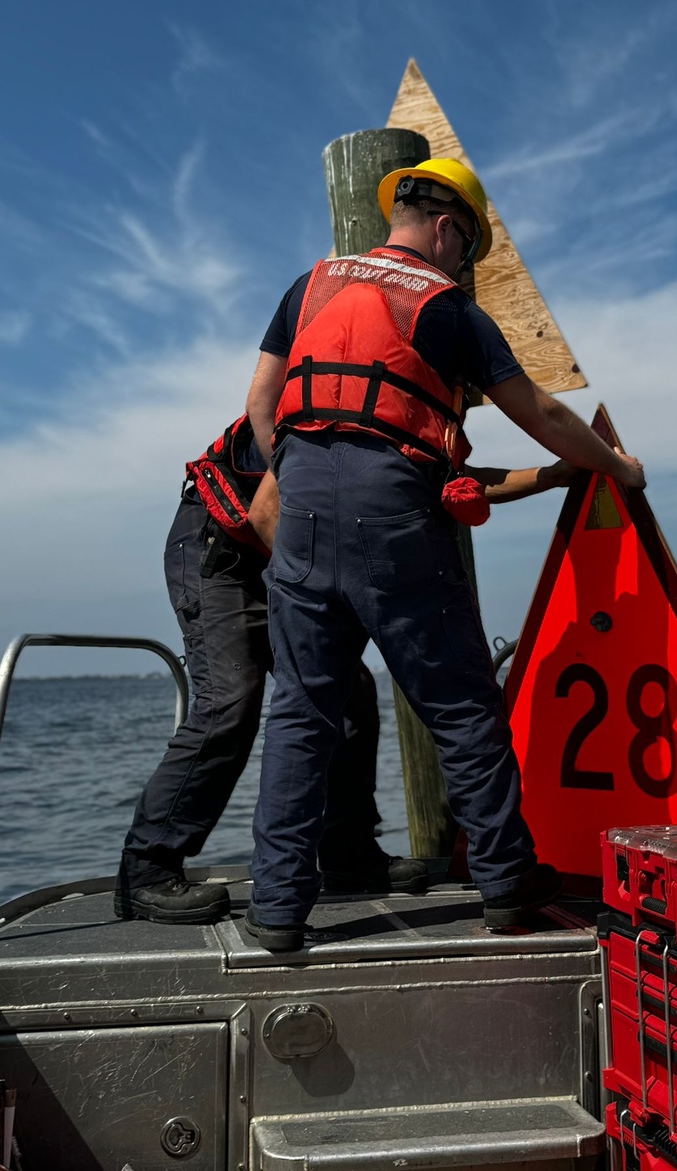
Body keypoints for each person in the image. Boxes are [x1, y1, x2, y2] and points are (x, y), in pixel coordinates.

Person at [244, 157, 646, 952]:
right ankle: (504, 882)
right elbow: (538, 411)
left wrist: (300, 475)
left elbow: (261, 404)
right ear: (448, 228)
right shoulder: (447, 306)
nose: (466, 264)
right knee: (461, 704)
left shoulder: (308, 286)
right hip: (392, 509)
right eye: (469, 249)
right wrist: (613, 467)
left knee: (301, 710)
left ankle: (279, 910)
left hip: (302, 499)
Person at [114, 411, 578, 924]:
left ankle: (349, 855)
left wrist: (551, 475)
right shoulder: (319, 399)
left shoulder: (413, 415)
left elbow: (454, 482)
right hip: (219, 547)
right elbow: (267, 511)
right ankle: (147, 868)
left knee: (352, 691)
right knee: (231, 699)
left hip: (288, 545)